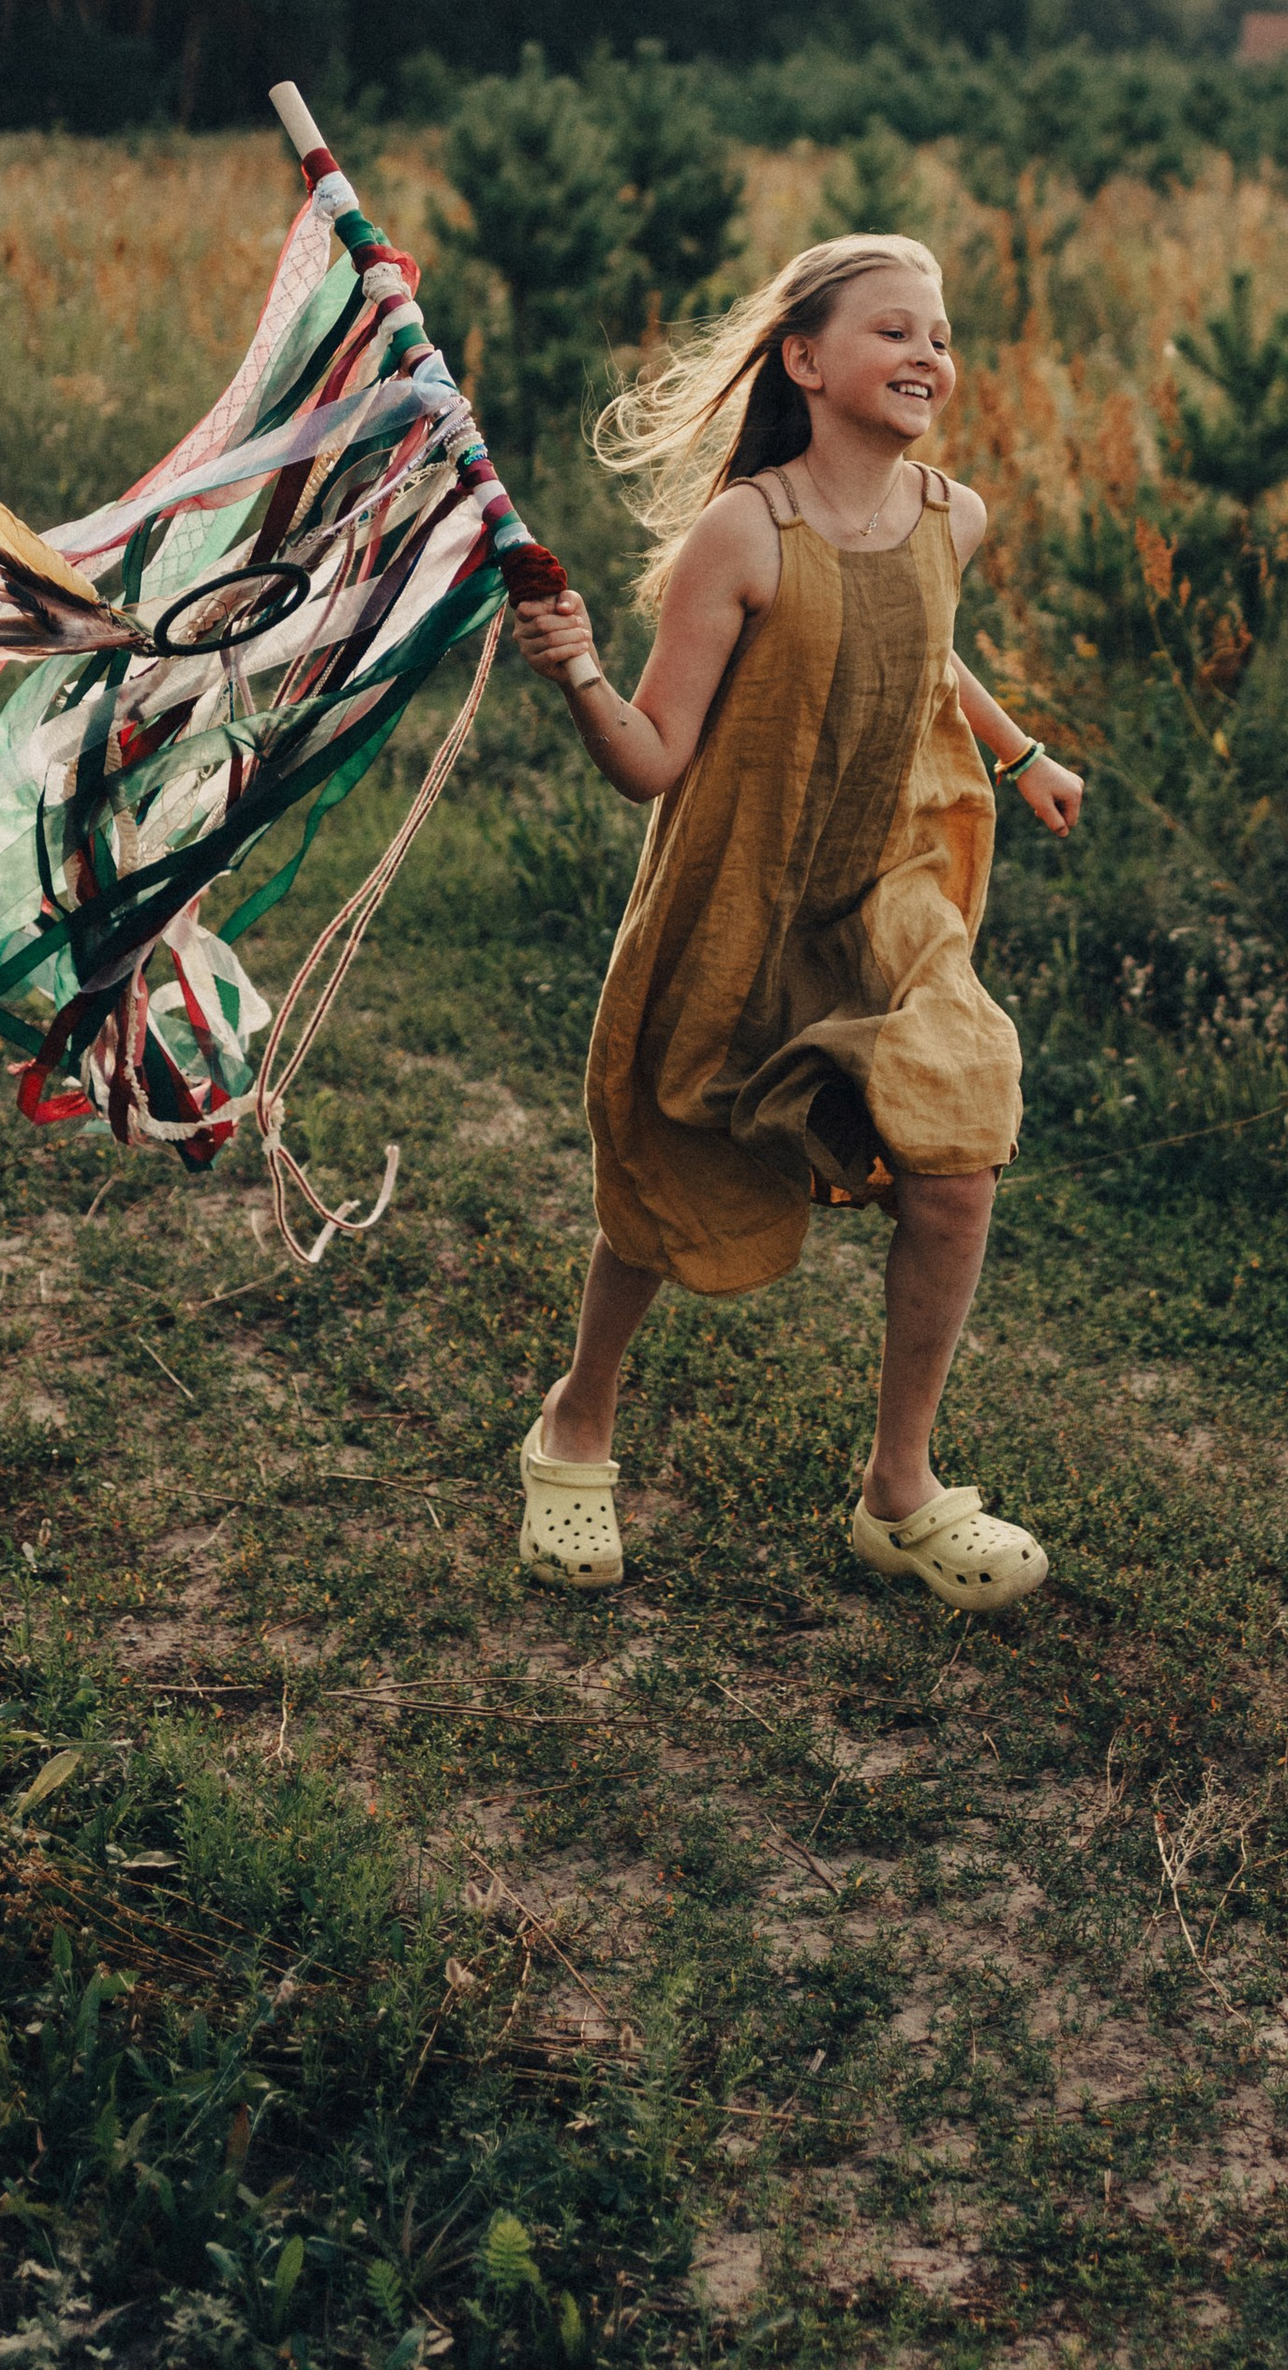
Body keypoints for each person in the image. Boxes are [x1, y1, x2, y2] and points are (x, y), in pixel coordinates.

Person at [506, 231, 1083, 1616]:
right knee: (671, 1159)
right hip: (743, 889)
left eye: (938, 334)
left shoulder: (955, 516)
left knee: (959, 1148)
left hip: (890, 890)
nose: (928, 356)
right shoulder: (743, 534)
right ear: (806, 361)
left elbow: (923, 636)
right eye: (893, 331)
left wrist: (1016, 753)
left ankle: (900, 1491)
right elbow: (654, 759)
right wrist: (579, 671)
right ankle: (576, 1424)